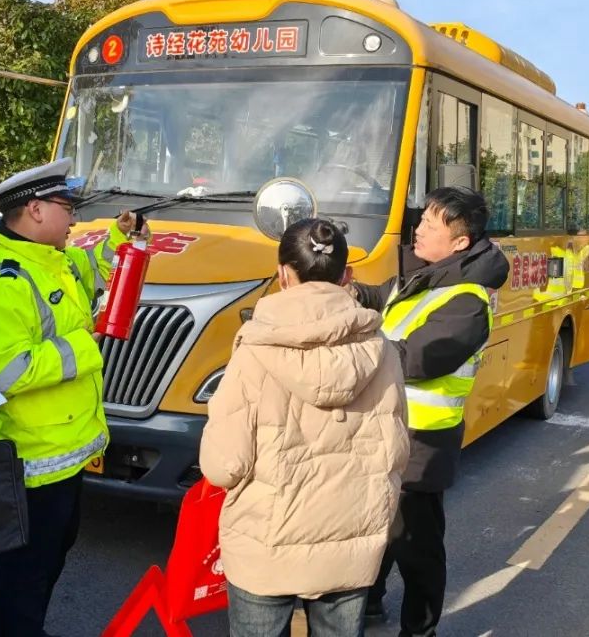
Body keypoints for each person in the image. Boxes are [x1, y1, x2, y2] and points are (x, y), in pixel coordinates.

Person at [0, 158, 143, 636]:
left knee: (49, 562)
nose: (74, 218)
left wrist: (121, 237)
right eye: (66, 207)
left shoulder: (57, 262)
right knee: (25, 577)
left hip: (66, 455)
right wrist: (86, 345)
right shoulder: (2, 285)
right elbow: (6, 372)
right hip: (30, 464)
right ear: (36, 210)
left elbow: (98, 264)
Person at [200, 218, 410, 637]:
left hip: (266, 540)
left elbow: (224, 465)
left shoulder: (256, 347)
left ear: (282, 275)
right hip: (351, 538)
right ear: (347, 276)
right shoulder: (380, 348)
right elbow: (396, 448)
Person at [350, 186, 509, 637]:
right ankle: (372, 603)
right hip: (388, 429)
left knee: (416, 547)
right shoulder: (424, 276)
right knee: (378, 528)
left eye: (429, 225)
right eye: (420, 220)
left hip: (422, 443)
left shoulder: (467, 303)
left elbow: (413, 361)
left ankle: (420, 630)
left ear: (460, 242)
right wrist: (343, 289)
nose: (417, 229)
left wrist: (350, 352)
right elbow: (379, 297)